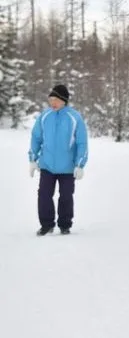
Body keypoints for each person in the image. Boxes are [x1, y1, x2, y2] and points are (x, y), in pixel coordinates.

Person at [28, 84, 89, 236]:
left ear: (64, 100)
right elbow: (36, 138)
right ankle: (47, 225)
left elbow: (82, 142)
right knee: (44, 195)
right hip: (47, 165)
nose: (52, 103)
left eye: (56, 100)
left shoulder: (74, 117)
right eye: (51, 99)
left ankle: (65, 225)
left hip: (68, 167)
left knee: (66, 196)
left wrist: (80, 165)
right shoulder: (45, 116)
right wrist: (33, 159)